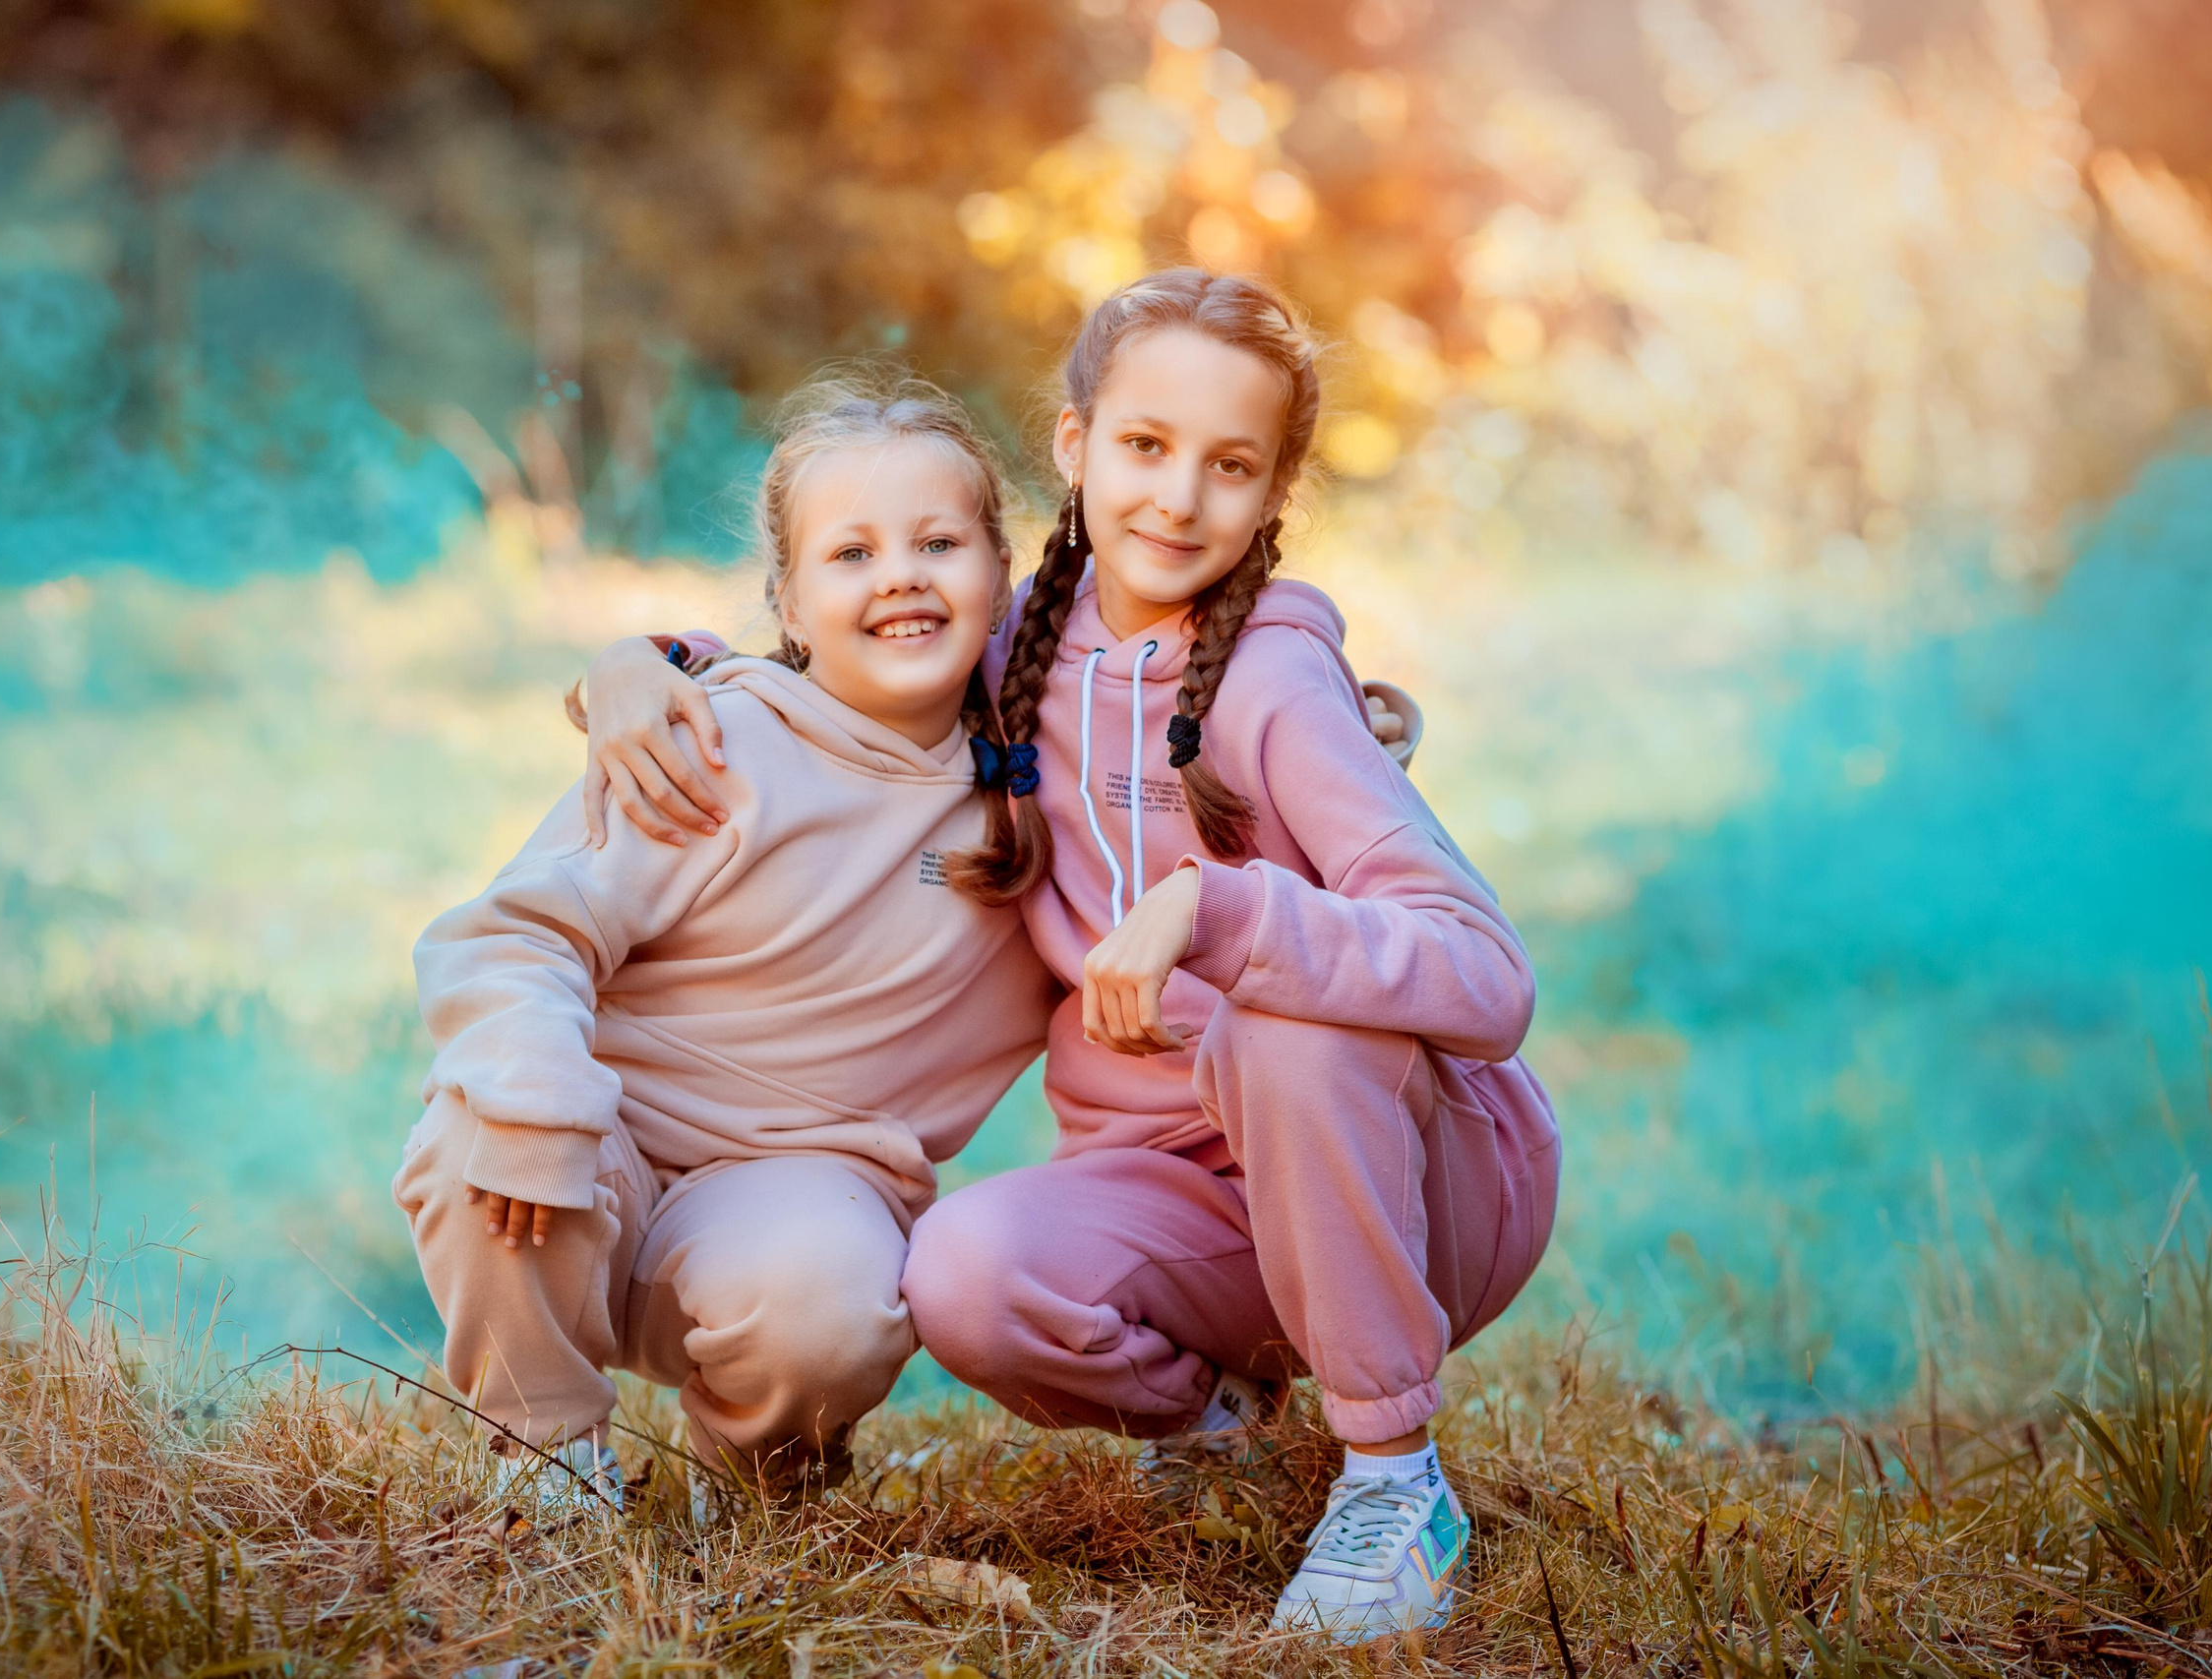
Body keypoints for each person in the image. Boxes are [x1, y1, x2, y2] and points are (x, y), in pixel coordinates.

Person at [582, 271, 1556, 1643]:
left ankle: (1397, 1477)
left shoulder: (1275, 686)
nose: (1175, 498)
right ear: (1073, 445)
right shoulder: (1019, 657)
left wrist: (1222, 914)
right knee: (963, 1272)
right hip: (1187, 1202)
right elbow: (829, 656)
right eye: (1145, 447)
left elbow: (1486, 975)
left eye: (1230, 466)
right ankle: (1225, 1426)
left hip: (1411, 1179)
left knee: (1278, 1019)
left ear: (1274, 494)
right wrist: (637, 659)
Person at [394, 375, 1058, 1514]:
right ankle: (548, 1459)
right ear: (788, 605)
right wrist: (541, 1104)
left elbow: (1192, 727)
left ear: (1002, 576)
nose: (899, 573)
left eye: (938, 541)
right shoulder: (712, 739)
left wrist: (1337, 728)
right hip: (594, 1154)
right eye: (849, 554)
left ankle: (756, 1483)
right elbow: (512, 937)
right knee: (475, 1135)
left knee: (825, 1306)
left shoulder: (1044, 788)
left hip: (799, 1190)